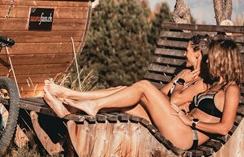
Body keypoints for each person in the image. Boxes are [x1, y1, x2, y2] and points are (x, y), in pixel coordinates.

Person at [43, 38, 243, 151]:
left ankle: (84, 101)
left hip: (186, 134)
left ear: (222, 60)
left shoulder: (231, 90)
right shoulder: (214, 84)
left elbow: (225, 127)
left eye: (212, 59)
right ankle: (68, 109)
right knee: (124, 95)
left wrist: (192, 123)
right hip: (179, 124)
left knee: (144, 86)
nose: (208, 62)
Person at [44, 33, 212, 120]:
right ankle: (70, 103)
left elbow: (173, 103)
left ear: (198, 54)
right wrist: (177, 80)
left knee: (125, 95)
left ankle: (71, 98)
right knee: (121, 91)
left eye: (187, 51)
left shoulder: (200, 83)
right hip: (157, 111)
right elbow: (161, 95)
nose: (184, 54)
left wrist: (181, 82)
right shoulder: (184, 73)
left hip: (166, 121)